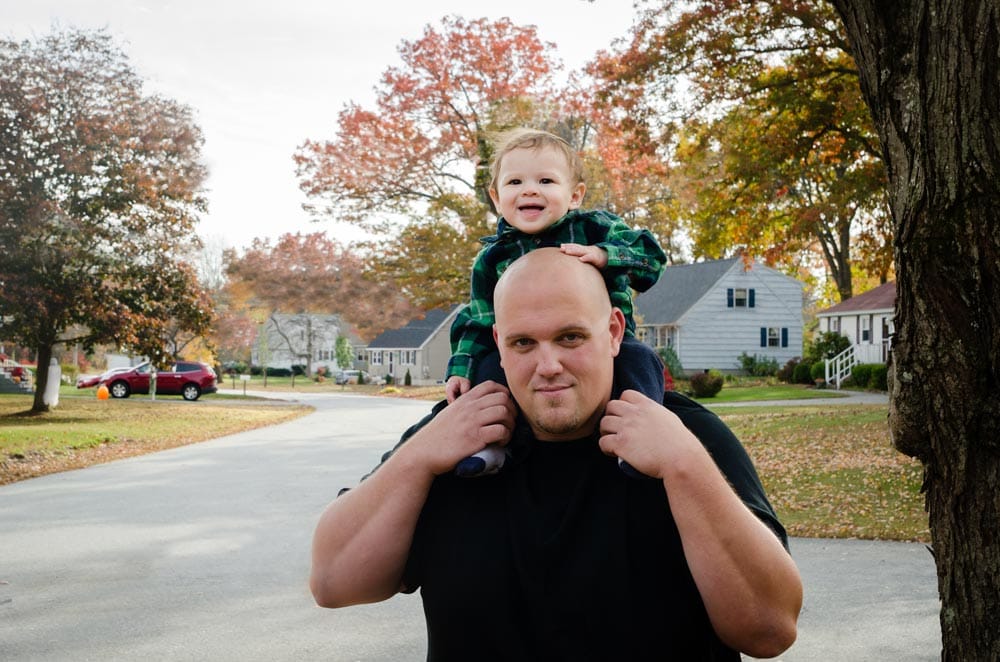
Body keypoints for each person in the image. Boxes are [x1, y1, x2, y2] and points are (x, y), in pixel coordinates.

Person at [310, 248, 802, 660]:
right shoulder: (454, 438)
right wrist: (417, 457)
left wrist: (684, 466)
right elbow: (333, 582)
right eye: (524, 342)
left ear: (614, 332)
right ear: (499, 343)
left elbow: (770, 630)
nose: (548, 365)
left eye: (570, 337)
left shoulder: (685, 437)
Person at [444, 128, 667, 476]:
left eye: (546, 181)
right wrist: (461, 368)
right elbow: (478, 319)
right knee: (487, 375)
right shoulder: (493, 258)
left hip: (606, 347)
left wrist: (605, 255)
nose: (529, 190)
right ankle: (493, 446)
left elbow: (652, 260)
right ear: (496, 198)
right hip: (520, 353)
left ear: (574, 195)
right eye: (515, 182)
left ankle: (639, 438)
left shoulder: (596, 229)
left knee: (642, 362)